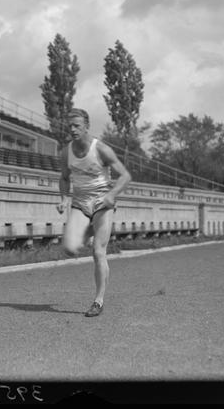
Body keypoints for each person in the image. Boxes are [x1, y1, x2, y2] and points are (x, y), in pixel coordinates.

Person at [56, 108, 131, 317]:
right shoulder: (66, 152)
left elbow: (125, 175)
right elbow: (63, 177)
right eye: (70, 126)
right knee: (70, 249)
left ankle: (98, 301)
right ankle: (87, 230)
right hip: (80, 203)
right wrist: (64, 198)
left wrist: (113, 194)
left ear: (87, 126)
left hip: (102, 203)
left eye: (77, 126)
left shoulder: (102, 150)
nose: (72, 129)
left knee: (98, 252)